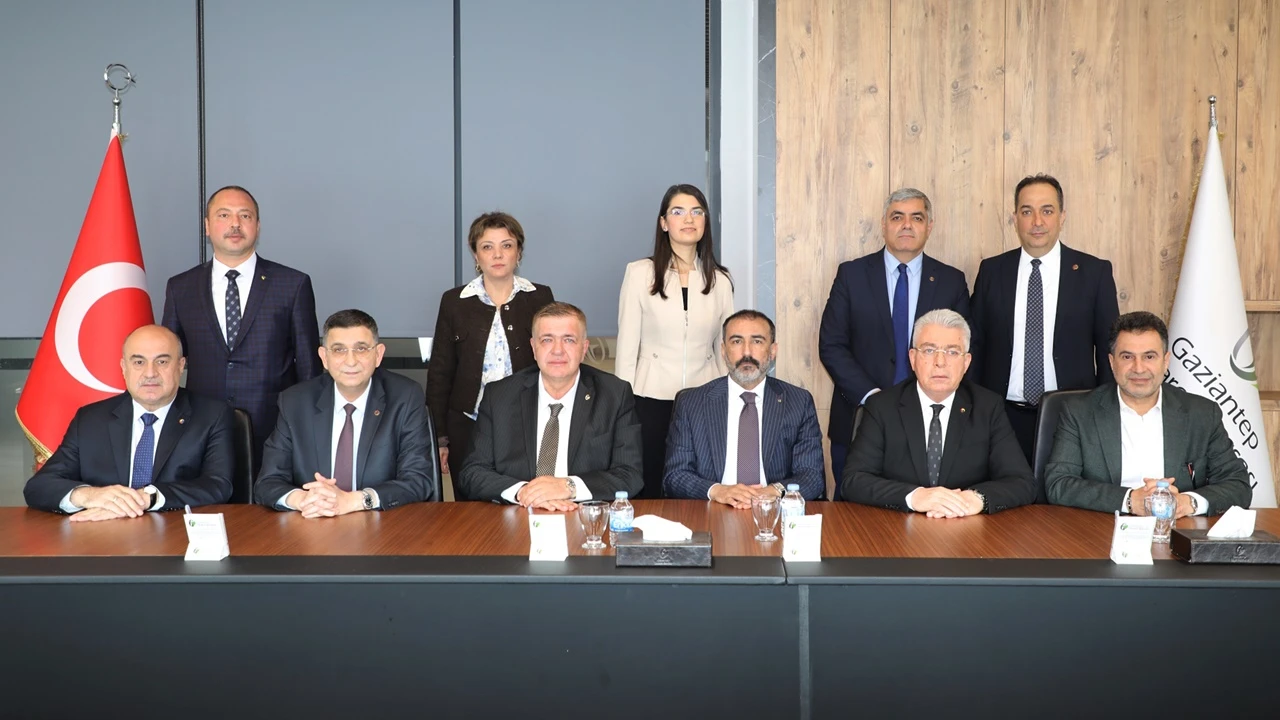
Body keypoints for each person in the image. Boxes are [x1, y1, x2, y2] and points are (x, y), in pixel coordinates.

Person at [162, 185, 322, 476]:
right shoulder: (181, 287)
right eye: (224, 215)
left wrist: (307, 430)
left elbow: (309, 368)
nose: (235, 224)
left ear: (257, 226)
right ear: (207, 226)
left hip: (275, 429)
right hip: (200, 428)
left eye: (245, 216)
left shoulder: (292, 284)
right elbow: (167, 361)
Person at [819, 188, 970, 495]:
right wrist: (873, 398)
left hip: (930, 421)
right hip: (860, 418)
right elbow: (831, 344)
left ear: (929, 226)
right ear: (884, 223)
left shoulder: (951, 280)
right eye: (897, 217)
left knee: (926, 510)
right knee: (855, 514)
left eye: (917, 218)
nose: (907, 225)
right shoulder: (852, 274)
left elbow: (961, 350)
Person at [968, 174, 1119, 471]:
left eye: (1047, 210)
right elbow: (976, 344)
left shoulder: (1093, 273)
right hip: (1001, 417)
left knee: (1064, 495)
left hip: (1071, 416)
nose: (1037, 221)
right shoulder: (992, 272)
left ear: (1062, 216)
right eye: (1027, 211)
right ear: (1015, 219)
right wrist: (972, 409)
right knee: (1006, 496)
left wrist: (1104, 413)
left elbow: (1108, 349)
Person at [1045, 312, 1251, 516]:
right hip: (1103, 527)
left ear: (1166, 361)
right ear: (1112, 362)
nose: (1139, 368)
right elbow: (1059, 483)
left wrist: (1187, 502)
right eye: (1127, 357)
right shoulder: (1079, 412)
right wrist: (1129, 500)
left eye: (1149, 356)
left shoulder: (1202, 414)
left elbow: (1237, 484)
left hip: (1178, 527)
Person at [24, 325, 234, 519]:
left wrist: (147, 497)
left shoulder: (211, 415)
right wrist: (88, 496)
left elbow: (218, 485)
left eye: (162, 362)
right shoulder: (90, 420)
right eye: (139, 362)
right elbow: (39, 486)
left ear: (180, 366)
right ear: (124, 367)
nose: (150, 373)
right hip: (102, 536)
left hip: (175, 532)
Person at [842, 309, 1035, 516]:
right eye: (929, 350)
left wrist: (977, 498)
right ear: (913, 358)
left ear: (966, 362)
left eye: (952, 352)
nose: (940, 362)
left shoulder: (987, 408)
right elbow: (853, 480)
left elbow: (1022, 482)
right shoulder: (882, 406)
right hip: (896, 527)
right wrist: (914, 496)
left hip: (966, 528)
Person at [458, 302, 643, 510]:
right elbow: (472, 472)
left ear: (584, 348)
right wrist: (525, 492)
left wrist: (568, 486)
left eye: (569, 340)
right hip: (518, 514)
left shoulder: (614, 395)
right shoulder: (500, 395)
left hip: (583, 517)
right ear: (533, 347)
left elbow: (630, 474)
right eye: (547, 340)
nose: (557, 350)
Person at [616, 184, 734, 498]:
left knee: (699, 484)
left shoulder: (720, 280)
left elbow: (725, 348)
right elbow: (627, 346)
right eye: (678, 211)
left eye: (697, 211)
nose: (689, 219)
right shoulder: (639, 273)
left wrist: (729, 397)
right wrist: (623, 405)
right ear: (664, 222)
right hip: (649, 397)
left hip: (704, 399)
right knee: (652, 483)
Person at [254, 309, 435, 515]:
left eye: (361, 349)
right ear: (324, 357)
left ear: (378, 354)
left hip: (383, 524)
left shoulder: (405, 397)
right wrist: (303, 499)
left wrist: (355, 500)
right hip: (313, 522)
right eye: (339, 350)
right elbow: (268, 482)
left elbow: (418, 479)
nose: (350, 361)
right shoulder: (295, 402)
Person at [425, 212, 554, 498]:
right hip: (467, 426)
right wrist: (440, 439)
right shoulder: (454, 302)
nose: (497, 254)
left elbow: (553, 362)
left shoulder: (539, 296)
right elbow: (440, 373)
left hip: (527, 423)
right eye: (487, 247)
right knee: (471, 510)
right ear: (475, 254)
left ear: (518, 252)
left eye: (506, 245)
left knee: (527, 502)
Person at [664, 310, 824, 506]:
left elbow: (812, 475)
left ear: (773, 351)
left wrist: (774, 491)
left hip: (773, 510)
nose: (747, 352)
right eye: (737, 341)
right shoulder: (692, 403)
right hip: (713, 509)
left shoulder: (798, 402)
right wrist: (717, 491)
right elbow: (675, 476)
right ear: (723, 351)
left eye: (757, 341)